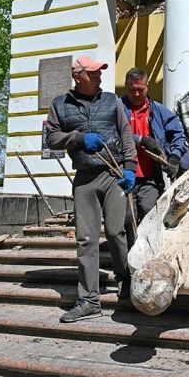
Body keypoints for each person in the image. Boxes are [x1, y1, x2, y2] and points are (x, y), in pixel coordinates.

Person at [45, 56, 137, 323]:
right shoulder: (60, 104)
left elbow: (125, 133)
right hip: (85, 177)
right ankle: (88, 300)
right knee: (85, 239)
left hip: (113, 174)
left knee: (116, 231)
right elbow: (51, 138)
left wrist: (130, 166)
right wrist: (80, 138)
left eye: (100, 73)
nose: (99, 77)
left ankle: (126, 280)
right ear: (78, 76)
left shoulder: (111, 100)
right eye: (94, 73)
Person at [119, 67, 189, 239]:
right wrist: (141, 139)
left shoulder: (159, 111)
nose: (136, 94)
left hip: (150, 178)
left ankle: (147, 260)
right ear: (125, 87)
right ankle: (128, 262)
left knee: (149, 214)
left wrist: (174, 157)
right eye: (132, 90)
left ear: (147, 87)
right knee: (126, 219)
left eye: (140, 89)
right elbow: (112, 133)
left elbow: (178, 135)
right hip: (122, 175)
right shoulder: (117, 109)